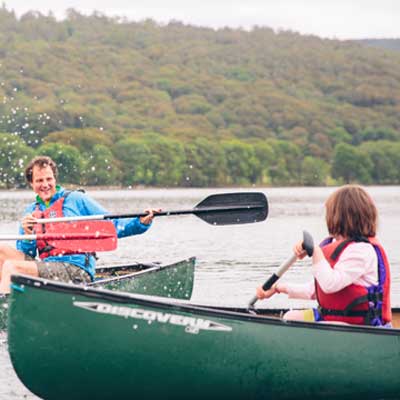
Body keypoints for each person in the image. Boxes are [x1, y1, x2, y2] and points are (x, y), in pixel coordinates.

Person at [0, 155, 159, 294]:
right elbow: (25, 253)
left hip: (75, 270)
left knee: (12, 268)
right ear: (31, 184)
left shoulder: (76, 199)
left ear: (55, 179)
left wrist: (141, 222)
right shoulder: (31, 211)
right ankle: (11, 299)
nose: (45, 184)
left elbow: (113, 225)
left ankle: (4, 315)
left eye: (49, 179)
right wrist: (28, 235)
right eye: (39, 180)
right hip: (47, 267)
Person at [256, 184, 391, 327]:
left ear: (338, 217)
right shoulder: (336, 245)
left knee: (332, 326)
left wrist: (315, 252)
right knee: (291, 317)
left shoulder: (361, 251)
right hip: (331, 318)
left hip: (361, 326)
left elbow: (330, 284)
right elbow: (314, 291)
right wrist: (277, 288)